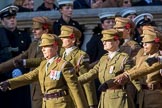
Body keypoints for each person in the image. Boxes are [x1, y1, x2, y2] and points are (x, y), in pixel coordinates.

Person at [0, 33, 89, 108]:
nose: (43, 49)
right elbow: (29, 77)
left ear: (56, 47)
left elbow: (75, 89)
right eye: (42, 47)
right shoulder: (43, 65)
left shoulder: (64, 65)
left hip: (62, 105)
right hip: (46, 104)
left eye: (46, 46)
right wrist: (9, 83)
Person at [0, 16, 54, 108]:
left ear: (45, 30)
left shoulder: (52, 44)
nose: (33, 31)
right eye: (33, 29)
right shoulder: (34, 44)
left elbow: (43, 61)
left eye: (37, 29)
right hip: (34, 88)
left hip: (47, 88)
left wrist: (25, 62)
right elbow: (19, 58)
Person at [78, 29, 135, 108]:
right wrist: (73, 81)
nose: (104, 43)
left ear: (117, 42)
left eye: (107, 40)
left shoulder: (124, 58)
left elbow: (132, 78)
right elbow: (91, 74)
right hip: (105, 97)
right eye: (103, 41)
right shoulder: (104, 59)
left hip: (118, 98)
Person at [114, 28, 162, 108]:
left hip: (156, 96)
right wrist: (123, 75)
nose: (144, 46)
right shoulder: (143, 57)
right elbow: (135, 68)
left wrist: (126, 76)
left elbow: (144, 69)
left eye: (147, 44)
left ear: (157, 45)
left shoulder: (158, 59)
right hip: (143, 95)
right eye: (143, 43)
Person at [0, 5, 31, 108]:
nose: (12, 20)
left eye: (13, 18)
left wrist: (20, 70)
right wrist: (10, 72)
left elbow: (29, 57)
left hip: (21, 80)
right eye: (8, 18)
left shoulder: (24, 36)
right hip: (4, 81)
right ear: (2, 21)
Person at [59, 25, 98, 108]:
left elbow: (87, 80)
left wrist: (91, 103)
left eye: (64, 37)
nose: (61, 39)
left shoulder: (81, 56)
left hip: (76, 97)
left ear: (73, 40)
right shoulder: (61, 54)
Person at [86, 12, 116, 100]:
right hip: (99, 75)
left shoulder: (118, 39)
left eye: (112, 22)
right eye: (108, 22)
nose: (111, 24)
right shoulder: (96, 39)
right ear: (102, 25)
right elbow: (90, 58)